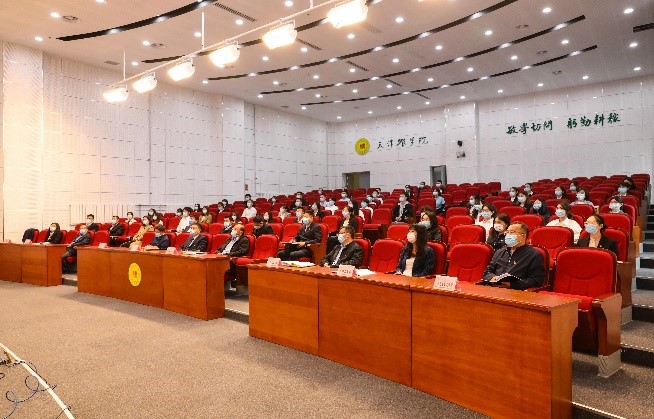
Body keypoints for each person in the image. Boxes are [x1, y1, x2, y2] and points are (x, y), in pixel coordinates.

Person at [481, 222, 545, 290]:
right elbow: (488, 271)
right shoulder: (500, 252)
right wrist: (492, 277)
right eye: (507, 232)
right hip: (494, 288)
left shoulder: (534, 255)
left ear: (523, 236)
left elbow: (536, 280)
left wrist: (512, 285)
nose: (508, 235)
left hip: (516, 291)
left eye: (512, 232)